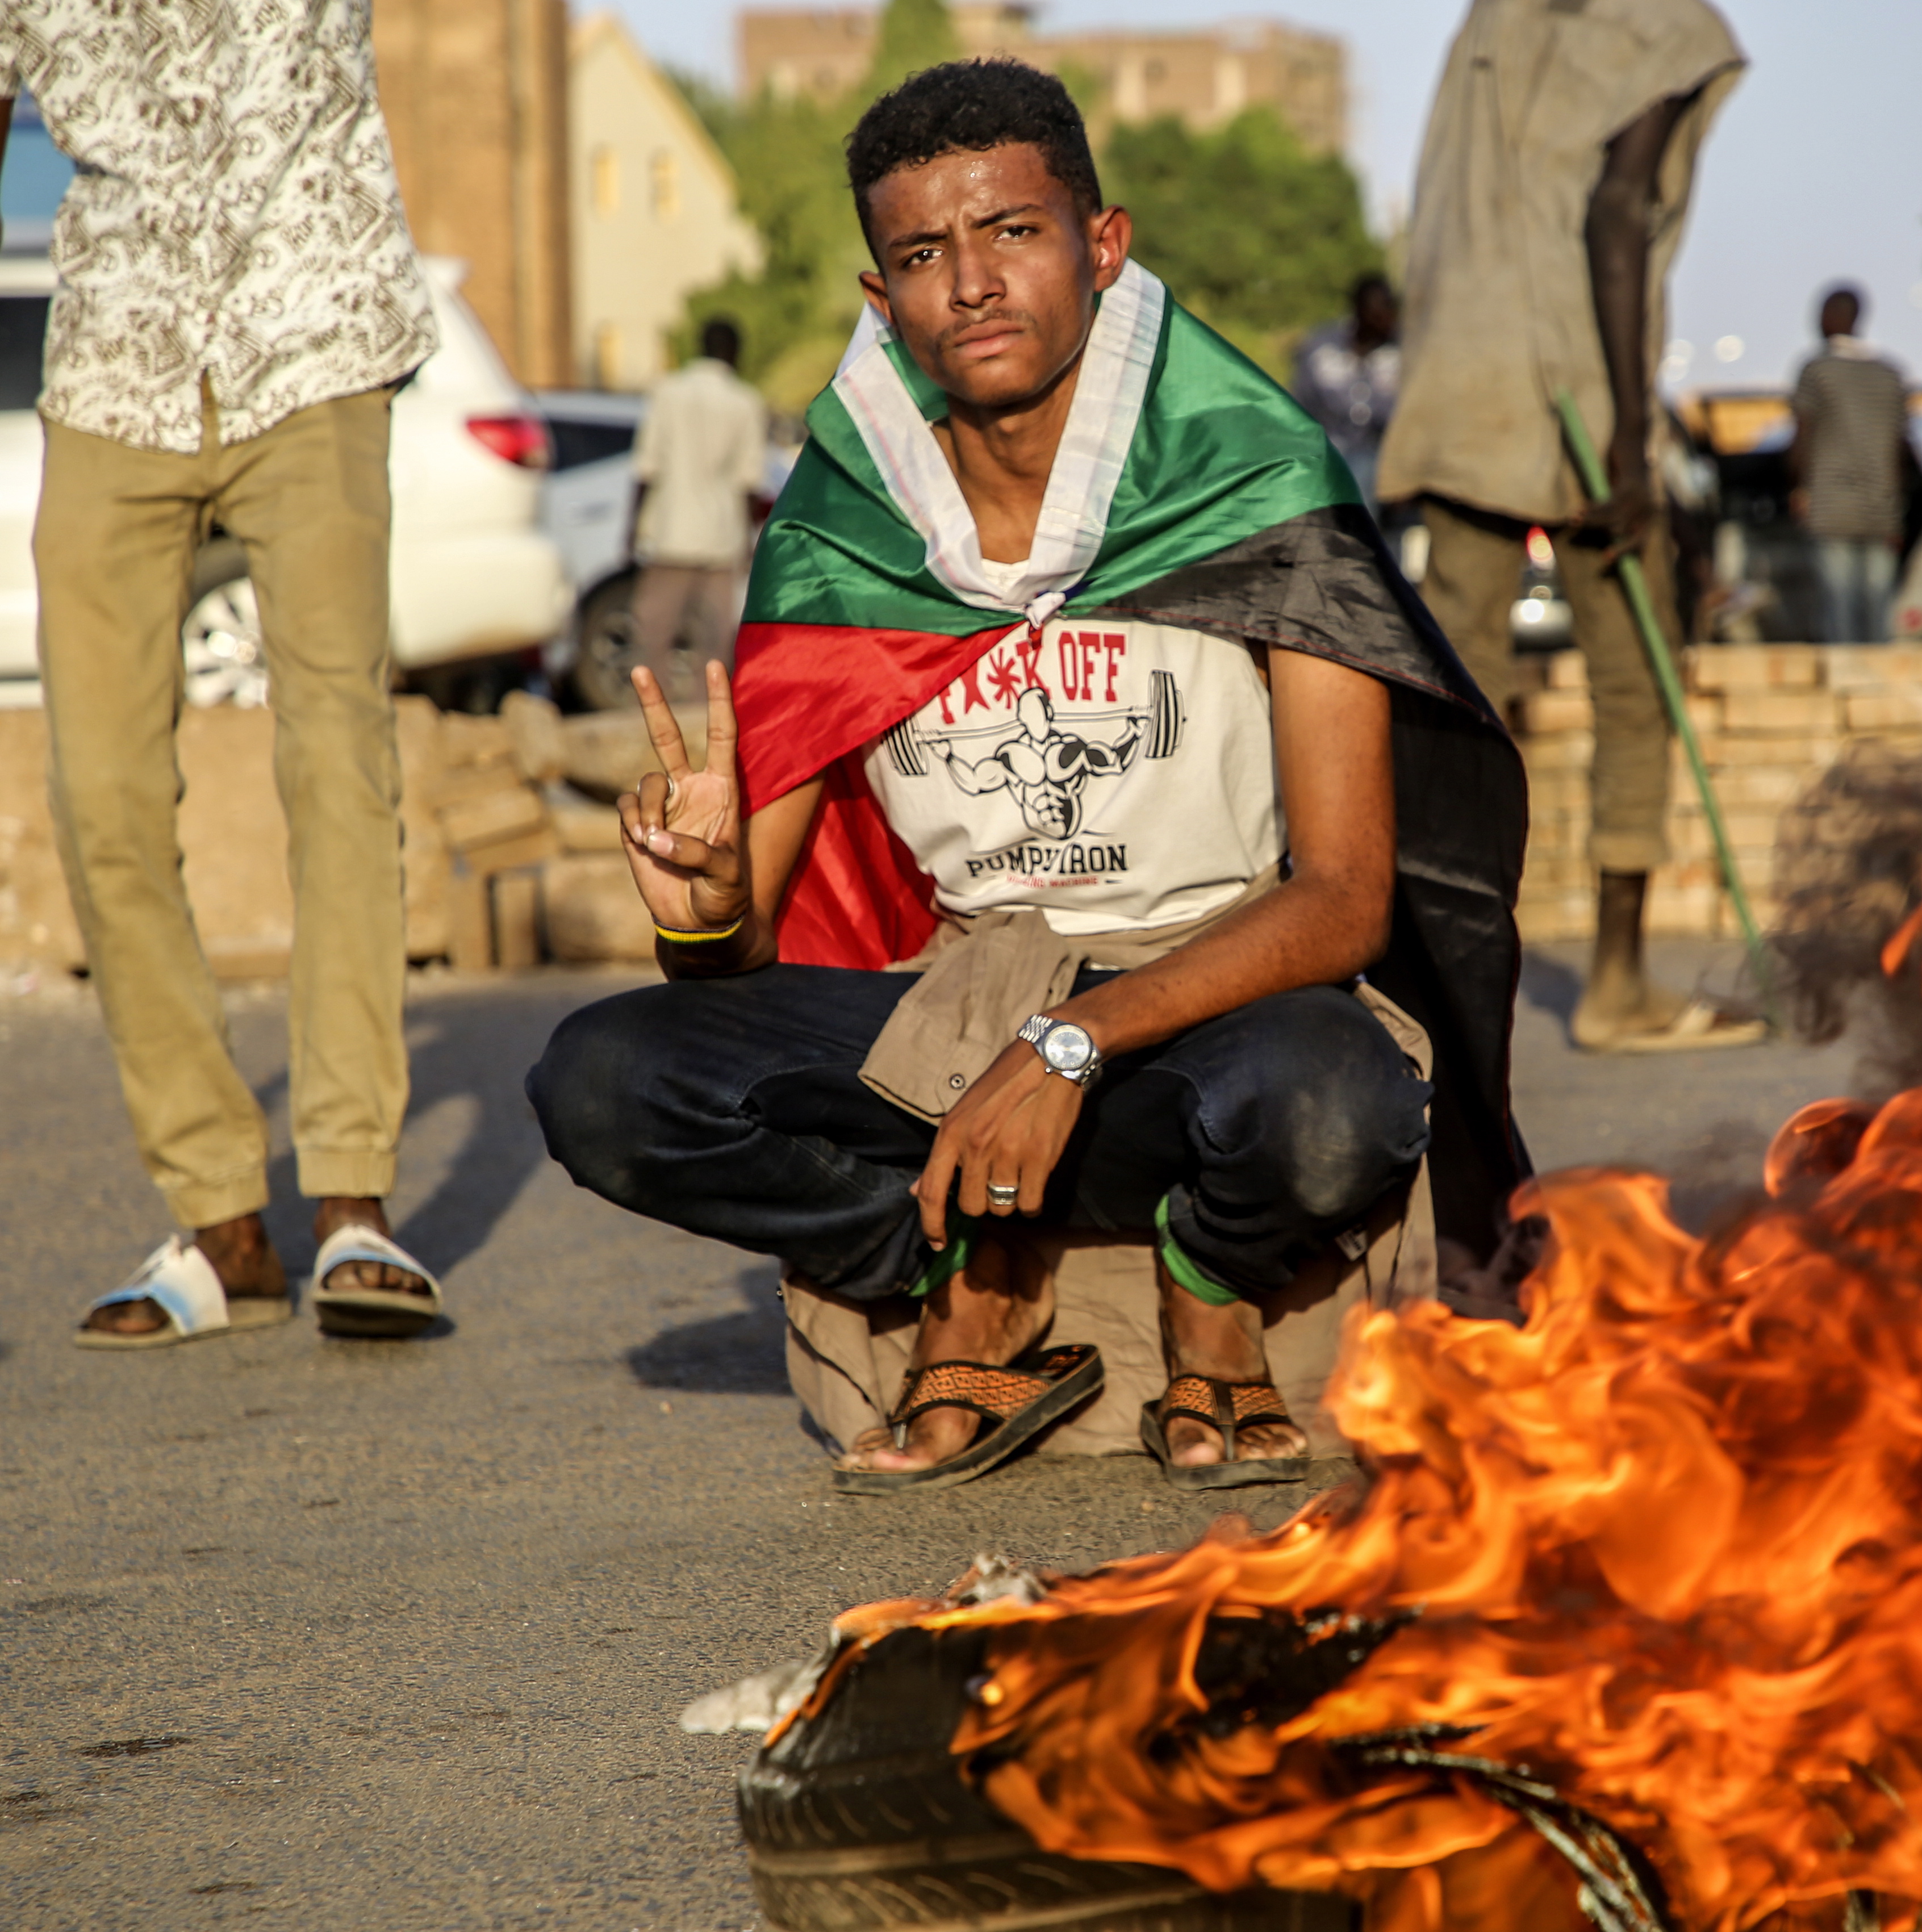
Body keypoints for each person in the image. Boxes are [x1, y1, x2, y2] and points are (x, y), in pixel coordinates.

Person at [525, 61, 1527, 1494]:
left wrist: (1071, 1045)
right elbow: (736, 955)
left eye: (1013, 232)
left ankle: (1206, 1265)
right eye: (924, 255)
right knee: (605, 1081)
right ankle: (959, 1259)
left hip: (1213, 1005)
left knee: (1332, 1107)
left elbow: (1347, 897)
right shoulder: (844, 529)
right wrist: (700, 902)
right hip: (956, 1015)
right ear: (884, 301)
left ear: (1101, 247)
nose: (973, 285)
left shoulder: (1253, 479)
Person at [3, 7, 450, 1349]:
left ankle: (353, 1206)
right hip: (114, 360)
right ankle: (217, 1216)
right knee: (102, 793)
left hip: (310, 334)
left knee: (336, 757)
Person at [1378, 0, 1758, 1053]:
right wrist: (1633, 445)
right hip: (1575, 398)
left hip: (1461, 380)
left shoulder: (1489, 20)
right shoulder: (1666, 25)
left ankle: (1434, 992)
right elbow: (1616, 212)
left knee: (1457, 702)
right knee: (1637, 683)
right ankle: (1618, 985)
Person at [625, 316, 772, 697]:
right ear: (735, 353)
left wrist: (631, 527)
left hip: (671, 531)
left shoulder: (667, 392)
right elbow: (749, 481)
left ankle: (650, 707)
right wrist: (749, 538)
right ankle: (704, 715)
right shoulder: (745, 401)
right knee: (715, 639)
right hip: (721, 537)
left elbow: (646, 467)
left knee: (654, 631)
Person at [1790, 285, 1912, 643]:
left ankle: (1846, 688)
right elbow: (1901, 446)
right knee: (1878, 607)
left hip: (1831, 505)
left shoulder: (1816, 371)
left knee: (1838, 606)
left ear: (1832, 318)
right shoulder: (1891, 375)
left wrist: (1797, 486)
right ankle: (1880, 688)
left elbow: (1802, 438)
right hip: (1881, 507)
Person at [1288, 273, 1400, 512]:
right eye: (1380, 309)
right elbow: (1299, 405)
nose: (1388, 317)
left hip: (1383, 455)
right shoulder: (1321, 347)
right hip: (1327, 450)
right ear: (1359, 309)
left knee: (1362, 469)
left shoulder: (1403, 350)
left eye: (1391, 308)